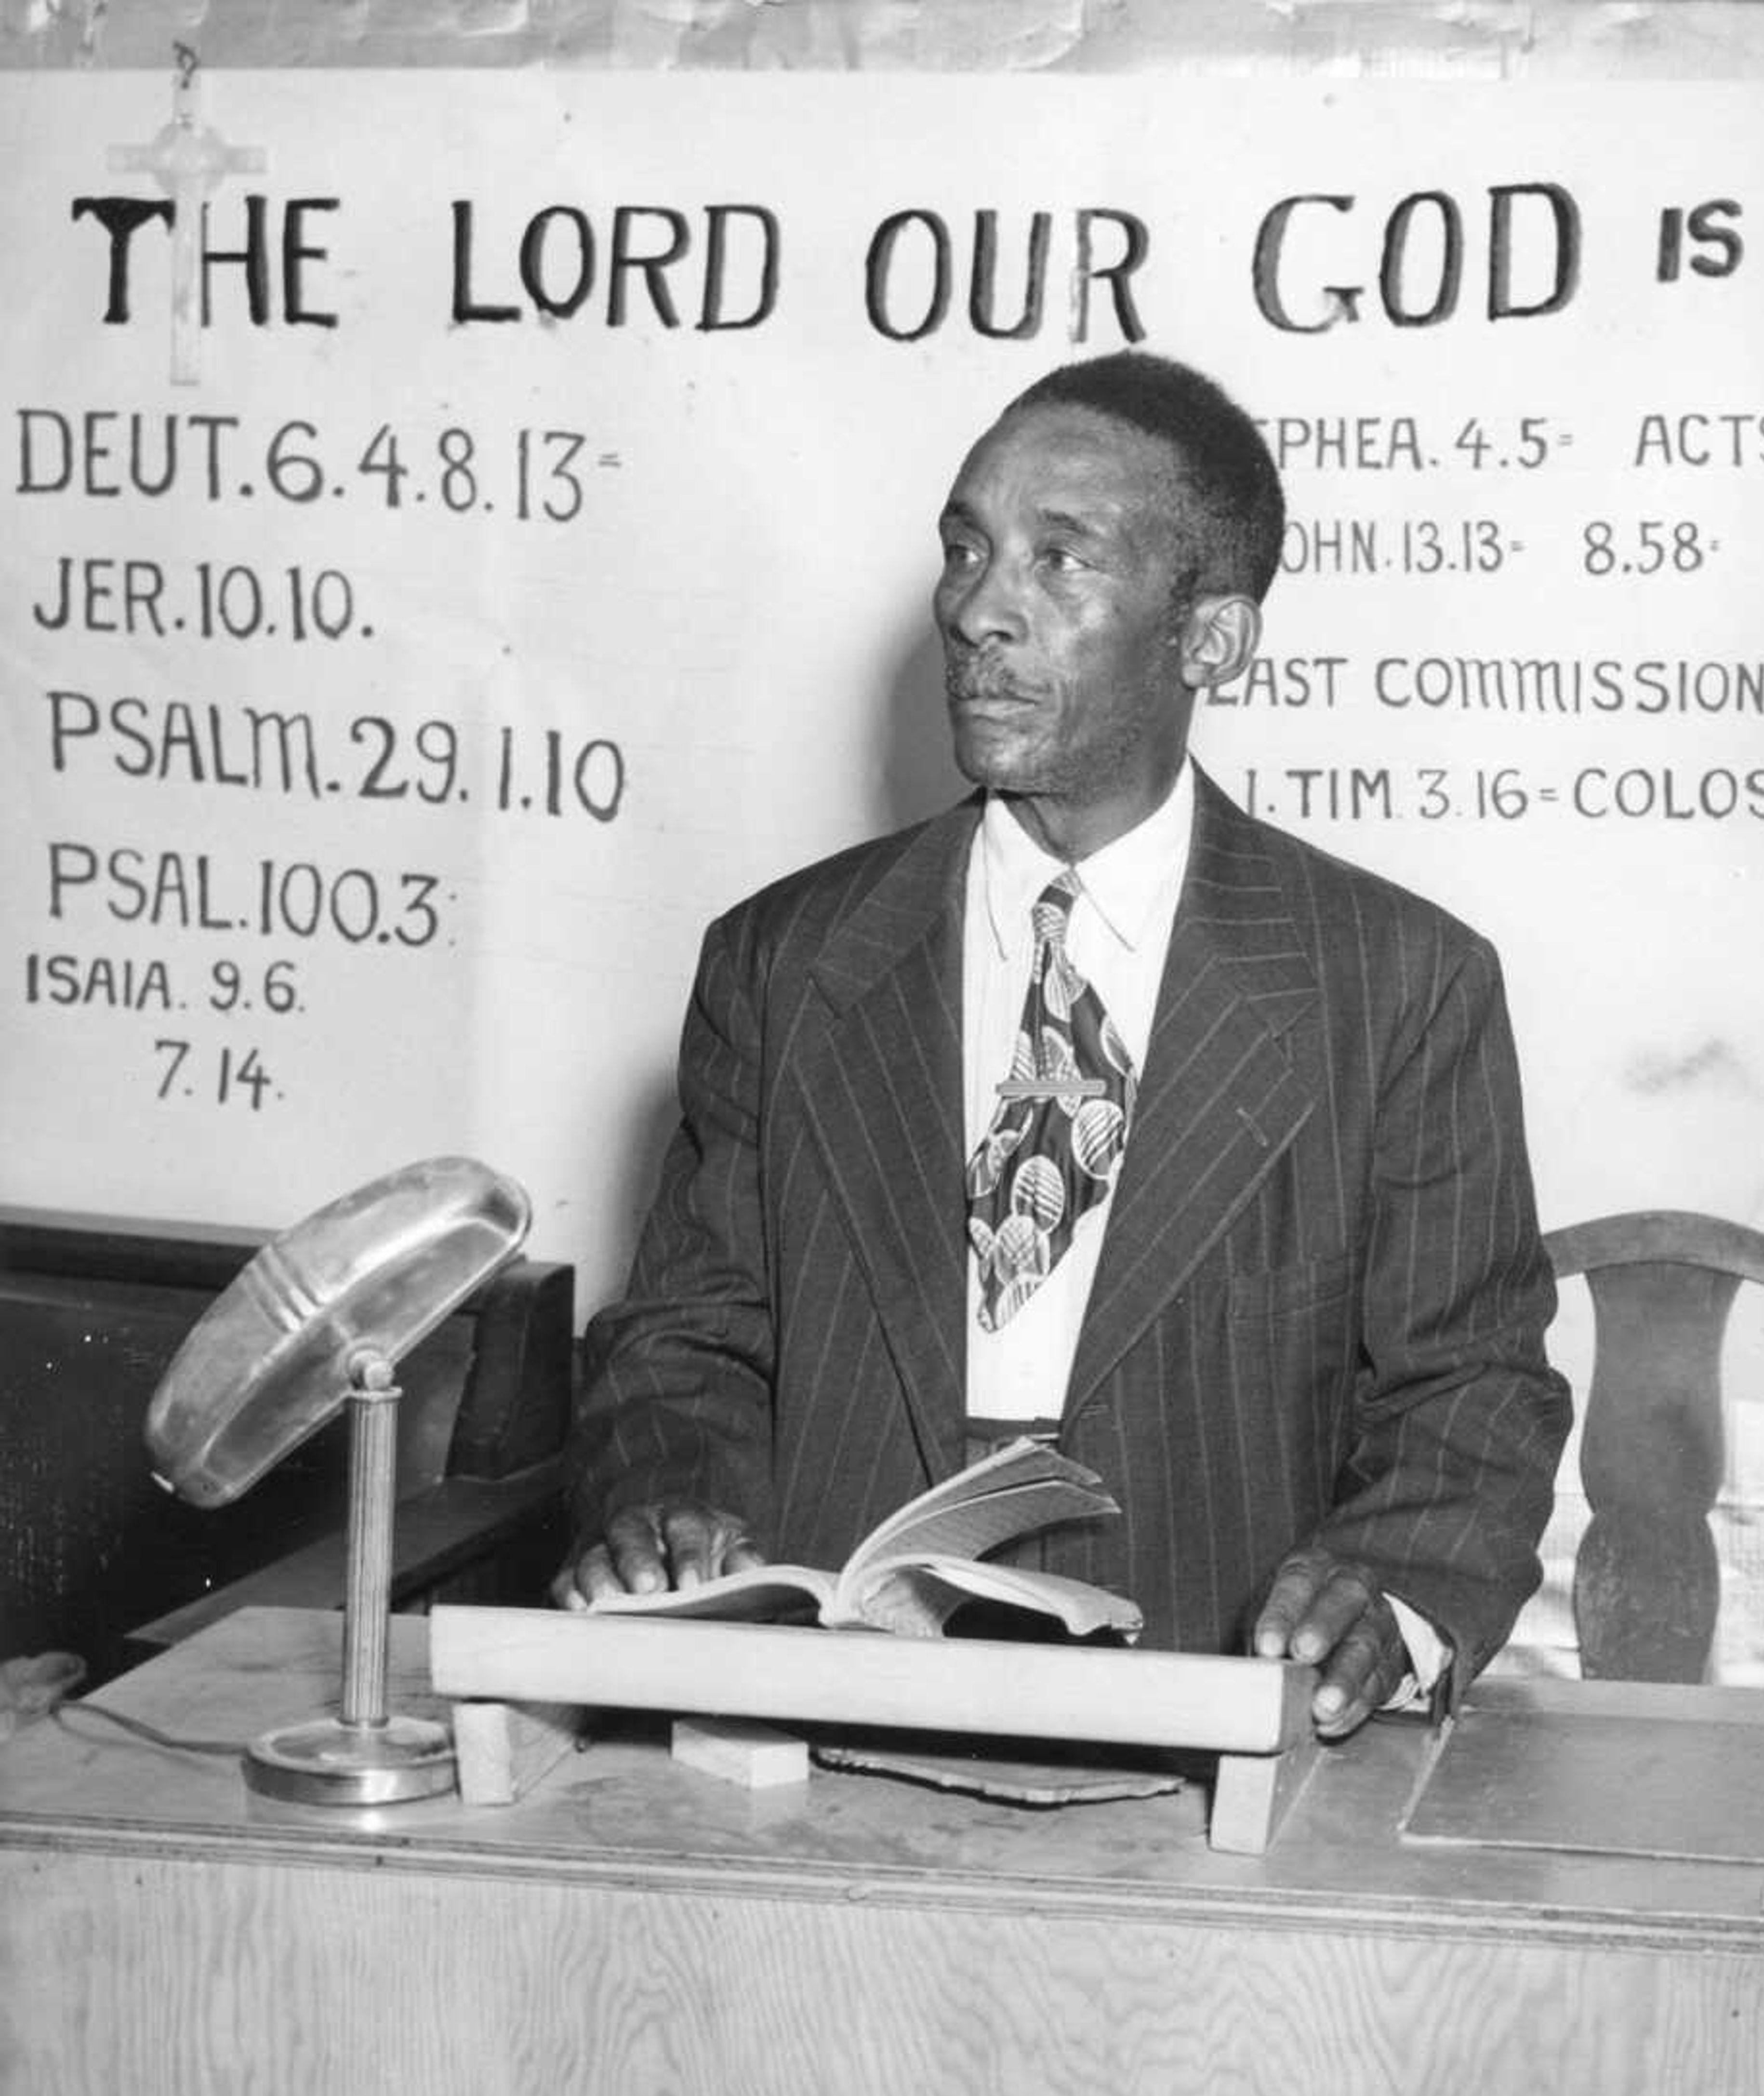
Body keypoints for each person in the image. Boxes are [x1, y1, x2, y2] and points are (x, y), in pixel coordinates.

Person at [555, 350, 1571, 1735]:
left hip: (1216, 1725)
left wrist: (1387, 1597)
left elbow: (1472, 1388)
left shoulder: (1398, 985)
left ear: (1208, 638)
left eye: (1060, 560)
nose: (979, 607)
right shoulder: (784, 958)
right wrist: (670, 1506)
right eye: (967, 550)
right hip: (818, 1717)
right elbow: (684, 1337)